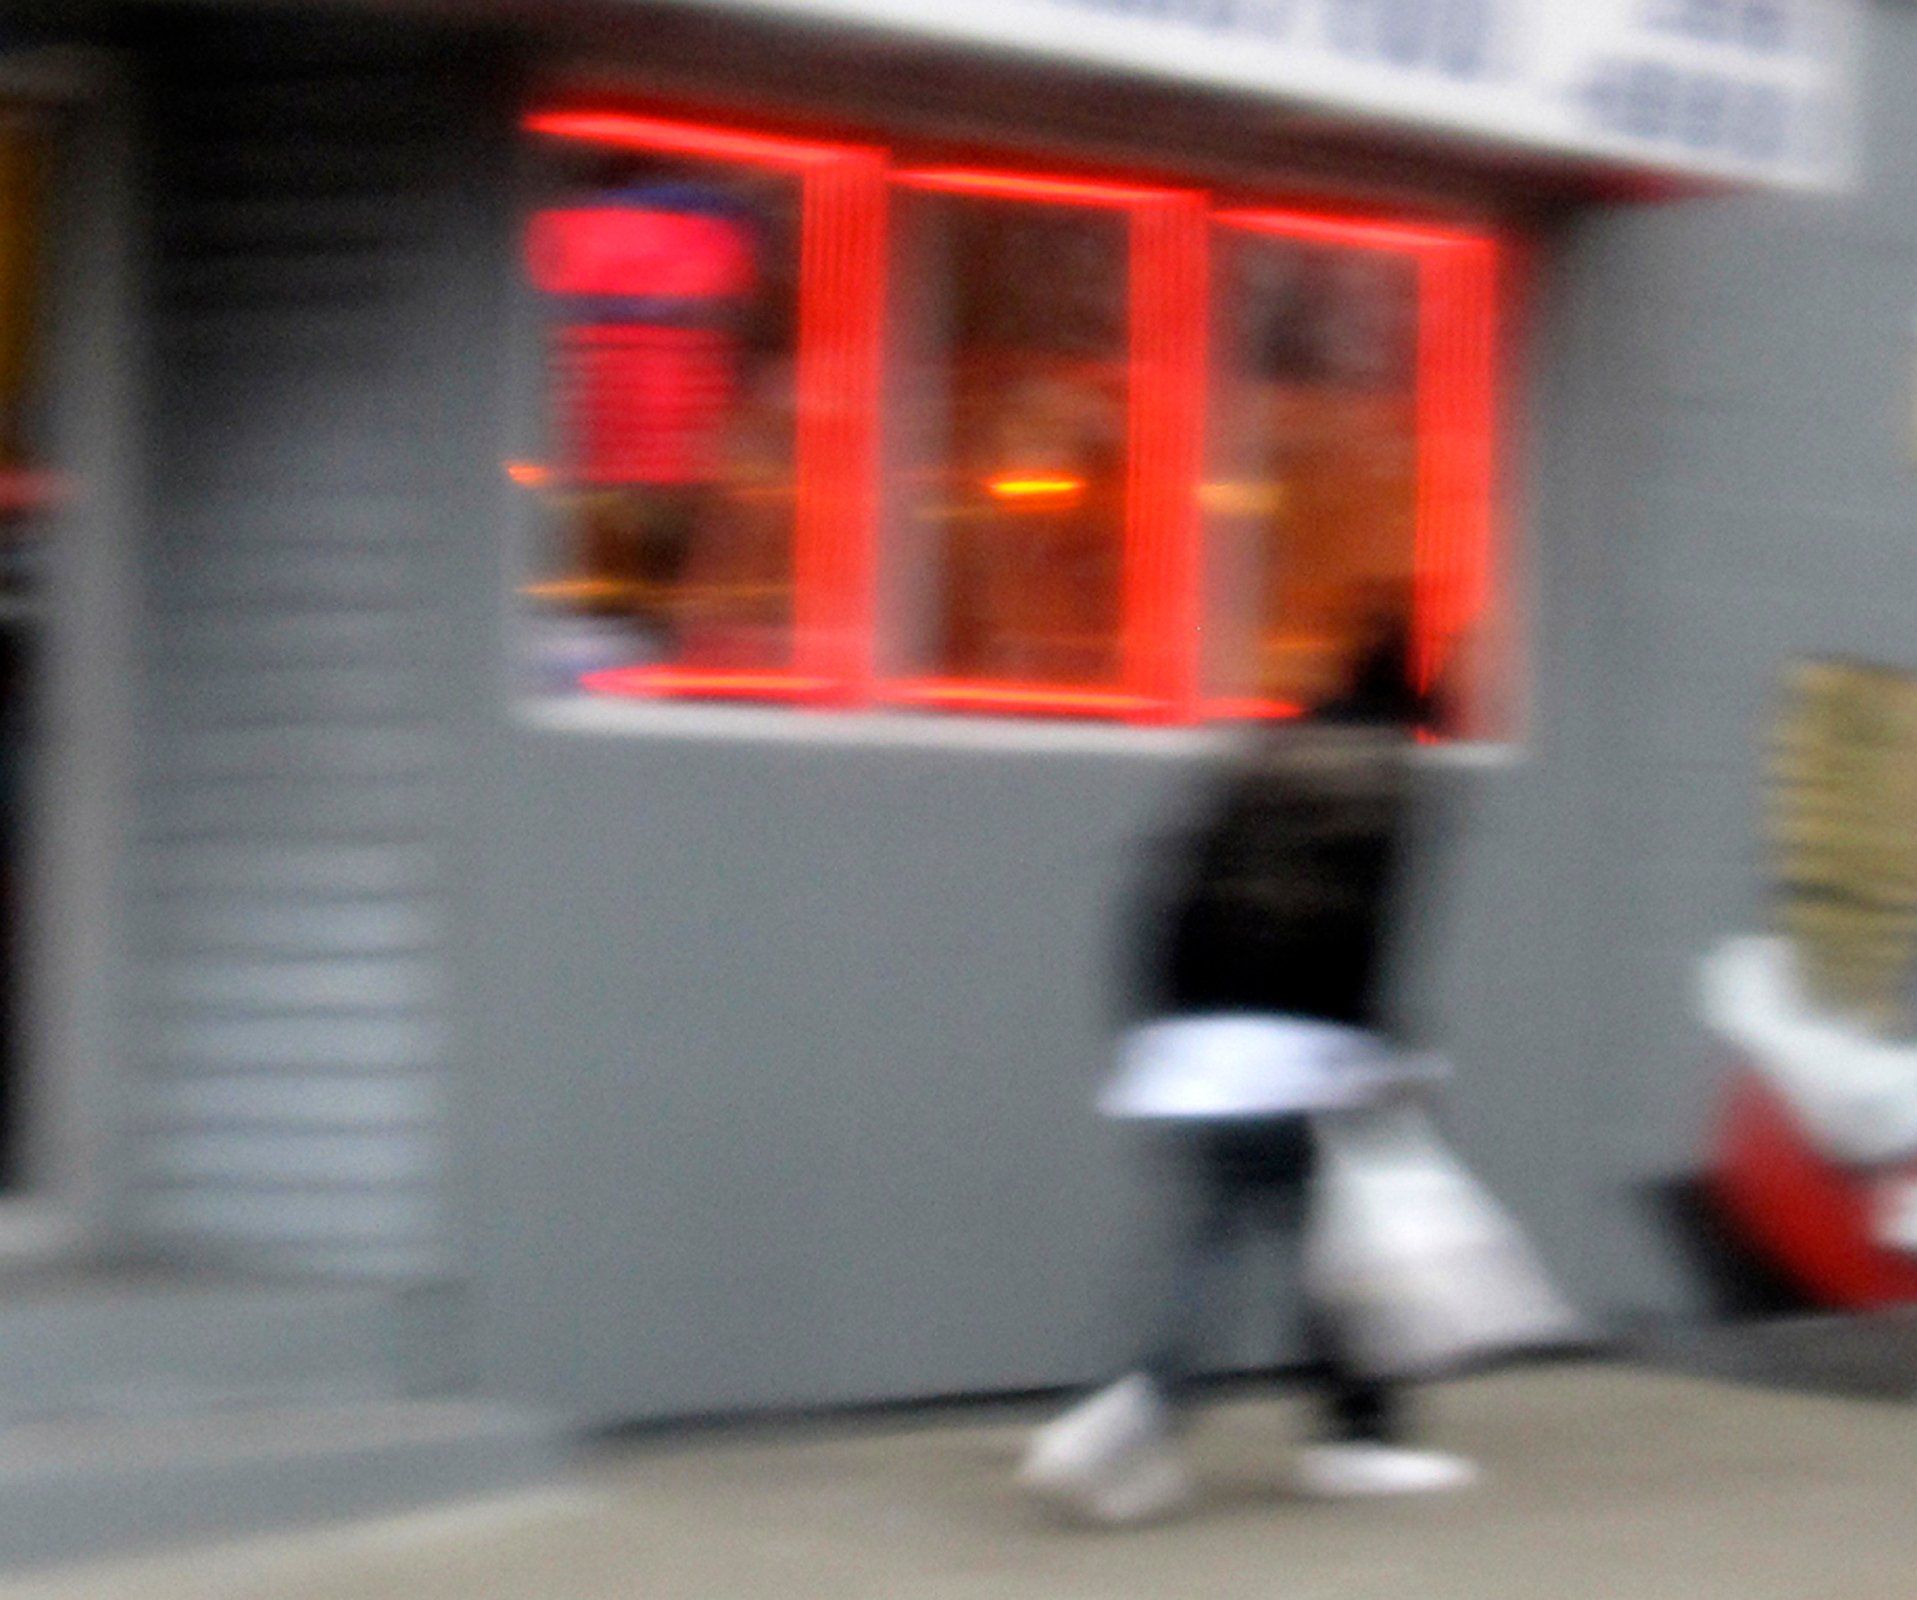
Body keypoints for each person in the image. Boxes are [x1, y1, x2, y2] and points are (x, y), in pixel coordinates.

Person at [1018, 612, 1475, 1524]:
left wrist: (1154, 1024)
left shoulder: (1263, 755)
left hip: (1192, 1043)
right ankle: (1147, 1418)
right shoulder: (1388, 779)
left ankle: (1338, 1431)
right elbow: (1371, 931)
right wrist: (1379, 1051)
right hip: (1292, 1048)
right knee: (1286, 1241)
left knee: (1268, 1236)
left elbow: (1163, 890)